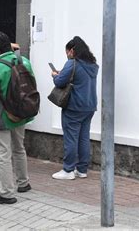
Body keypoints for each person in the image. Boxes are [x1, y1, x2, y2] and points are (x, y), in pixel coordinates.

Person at [0, 32, 33, 204]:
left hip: (2, 117)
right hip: (21, 113)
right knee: (19, 148)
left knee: (3, 155)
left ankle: (6, 193)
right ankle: (23, 183)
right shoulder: (24, 61)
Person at [51, 36, 99, 180]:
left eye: (67, 52)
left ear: (72, 50)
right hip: (89, 106)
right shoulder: (93, 65)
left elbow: (60, 82)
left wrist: (54, 75)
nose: (67, 55)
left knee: (71, 138)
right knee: (84, 137)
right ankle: (82, 170)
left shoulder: (72, 63)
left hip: (74, 106)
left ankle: (68, 170)